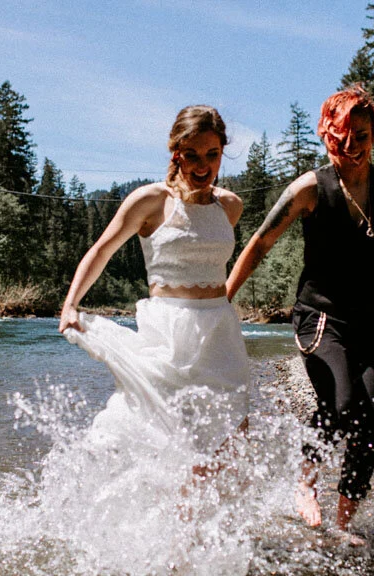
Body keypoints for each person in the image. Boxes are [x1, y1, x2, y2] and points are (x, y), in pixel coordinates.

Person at [226, 85, 374, 537]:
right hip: (320, 317)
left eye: (362, 136)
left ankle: (346, 520)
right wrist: (222, 299)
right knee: (342, 402)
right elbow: (261, 243)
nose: (352, 148)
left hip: (370, 319)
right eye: (342, 138)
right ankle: (305, 480)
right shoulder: (310, 189)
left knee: (370, 416)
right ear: (329, 136)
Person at [59, 105, 249, 462]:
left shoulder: (230, 206)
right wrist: (71, 304)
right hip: (169, 332)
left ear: (223, 152)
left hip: (221, 333)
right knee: (169, 431)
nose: (202, 166)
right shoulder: (150, 200)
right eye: (191, 155)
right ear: (176, 153)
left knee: (230, 435)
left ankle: (216, 516)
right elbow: (101, 251)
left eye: (212, 154)